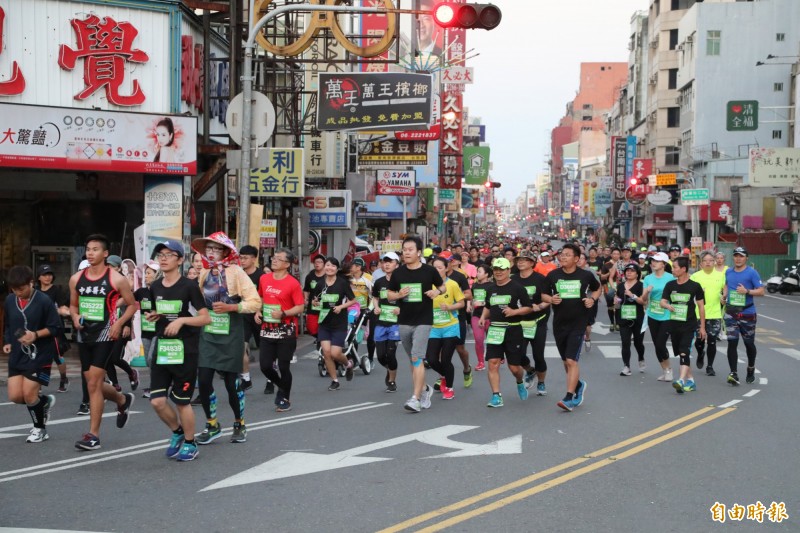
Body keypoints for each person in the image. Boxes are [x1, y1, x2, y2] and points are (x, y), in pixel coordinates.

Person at [69, 234, 137, 451]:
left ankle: (93, 435)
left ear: (105, 253)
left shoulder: (116, 279)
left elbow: (132, 305)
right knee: (93, 382)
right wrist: (74, 317)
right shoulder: (76, 279)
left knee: (93, 384)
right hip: (84, 335)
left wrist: (120, 324)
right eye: (88, 249)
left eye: (95, 249)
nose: (90, 253)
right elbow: (72, 305)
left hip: (106, 334)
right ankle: (121, 399)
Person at [192, 232, 261, 445]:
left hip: (231, 331)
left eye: (216, 249)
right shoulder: (203, 271)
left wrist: (232, 306)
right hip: (209, 330)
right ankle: (212, 424)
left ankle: (239, 422)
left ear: (226, 252)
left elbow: (255, 302)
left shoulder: (236, 272)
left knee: (232, 383)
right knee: (203, 380)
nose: (211, 253)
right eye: (209, 249)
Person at [145, 240, 210, 461]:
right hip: (163, 349)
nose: (163, 258)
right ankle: (177, 433)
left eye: (169, 254)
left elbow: (205, 318)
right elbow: (161, 313)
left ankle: (191, 444)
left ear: (180, 260)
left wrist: (181, 321)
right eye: (160, 254)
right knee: (157, 401)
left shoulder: (189, 286)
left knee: (182, 401)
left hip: (186, 351)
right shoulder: (155, 287)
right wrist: (154, 316)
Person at [386, 236, 446, 413]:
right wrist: (398, 295)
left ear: (419, 252)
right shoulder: (398, 273)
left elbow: (442, 286)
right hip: (404, 321)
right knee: (413, 361)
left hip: (424, 320)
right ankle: (425, 389)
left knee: (417, 357)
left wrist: (436, 291)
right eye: (404, 250)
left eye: (410, 249)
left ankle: (416, 398)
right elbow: (389, 295)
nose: (406, 252)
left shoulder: (429, 271)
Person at [4, 266, 61, 443]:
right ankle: (42, 402)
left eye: (21, 289)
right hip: (17, 354)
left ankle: (40, 429)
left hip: (40, 353)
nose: (17, 293)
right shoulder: (9, 300)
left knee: (29, 394)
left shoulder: (43, 300)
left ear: (31, 283)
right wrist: (7, 341)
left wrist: (35, 335)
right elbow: (8, 324)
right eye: (14, 289)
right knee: (15, 396)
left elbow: (55, 327)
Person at [542, 243, 600, 412]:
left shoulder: (586, 275)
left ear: (576, 259)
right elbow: (543, 294)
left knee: (571, 360)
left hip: (578, 323)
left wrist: (592, 299)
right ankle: (579, 384)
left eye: (567, 255)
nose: (563, 257)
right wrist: (550, 299)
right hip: (559, 323)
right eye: (562, 254)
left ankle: (569, 398)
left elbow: (597, 290)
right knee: (565, 362)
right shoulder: (553, 275)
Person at [480, 257, 533, 407]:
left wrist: (514, 311)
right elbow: (489, 306)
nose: (498, 272)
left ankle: (519, 381)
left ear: (508, 270)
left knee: (514, 368)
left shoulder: (517, 288)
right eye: (496, 269)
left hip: (513, 330)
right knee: (493, 363)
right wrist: (483, 317)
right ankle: (496, 396)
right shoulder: (490, 289)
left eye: (501, 269)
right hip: (495, 329)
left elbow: (529, 307)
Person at [256, 248, 304, 413]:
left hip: (286, 329)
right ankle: (281, 386)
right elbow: (260, 297)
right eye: (273, 258)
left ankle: (285, 398)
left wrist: (284, 313)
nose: (274, 260)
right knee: (264, 366)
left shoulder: (293, 283)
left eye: (278, 259)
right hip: (267, 328)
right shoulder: (264, 278)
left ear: (287, 264)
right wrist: (258, 311)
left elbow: (300, 306)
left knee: (284, 367)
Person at [661, 256, 706, 393]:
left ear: (683, 269)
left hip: (689, 325)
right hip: (674, 325)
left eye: (675, 267)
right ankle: (691, 381)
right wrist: (668, 306)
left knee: (683, 352)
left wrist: (702, 327)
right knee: (680, 354)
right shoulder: (670, 285)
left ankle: (680, 380)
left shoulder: (695, 286)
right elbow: (662, 302)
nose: (673, 270)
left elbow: (701, 307)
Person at [312, 258, 356, 391]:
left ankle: (348, 364)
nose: (329, 268)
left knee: (335, 353)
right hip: (324, 322)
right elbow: (315, 300)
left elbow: (353, 300)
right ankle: (334, 380)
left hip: (339, 323)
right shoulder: (320, 284)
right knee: (326, 353)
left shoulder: (342, 283)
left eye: (332, 266)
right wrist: (315, 303)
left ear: (337, 269)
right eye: (327, 265)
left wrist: (341, 307)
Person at [426, 257, 465, 401]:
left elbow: (461, 303)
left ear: (446, 268)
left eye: (440, 267)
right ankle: (444, 375)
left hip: (450, 326)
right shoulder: (428, 284)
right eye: (434, 267)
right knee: (431, 359)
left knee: (446, 359)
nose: (436, 270)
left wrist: (450, 307)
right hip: (433, 327)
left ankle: (449, 388)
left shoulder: (452, 284)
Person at [724, 247, 764, 385]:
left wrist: (746, 291)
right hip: (731, 312)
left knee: (749, 343)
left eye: (741, 256)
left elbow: (761, 291)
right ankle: (733, 373)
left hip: (747, 313)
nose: (738, 258)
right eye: (736, 256)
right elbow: (727, 285)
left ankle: (751, 367)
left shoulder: (752, 273)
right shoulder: (728, 271)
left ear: (746, 258)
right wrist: (724, 296)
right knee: (732, 342)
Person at [513, 250, 550, 396]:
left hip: (537, 321)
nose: (520, 262)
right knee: (518, 355)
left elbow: (549, 299)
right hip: (519, 322)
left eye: (524, 260)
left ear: (531, 263)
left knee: (538, 355)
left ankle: (541, 383)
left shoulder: (540, 279)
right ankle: (530, 370)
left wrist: (540, 306)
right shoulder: (513, 279)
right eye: (519, 260)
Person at [103, 255, 139, 394]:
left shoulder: (122, 282)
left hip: (122, 323)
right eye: (108, 265)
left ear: (118, 267)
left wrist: (127, 325)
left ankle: (132, 373)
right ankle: (115, 384)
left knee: (115, 357)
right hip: (107, 325)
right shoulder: (104, 281)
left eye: (112, 266)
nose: (109, 268)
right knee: (106, 358)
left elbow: (130, 304)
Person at [641, 252, 676, 382]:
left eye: (657, 261)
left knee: (661, 343)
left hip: (667, 315)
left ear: (664, 264)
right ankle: (665, 369)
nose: (653, 263)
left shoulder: (671, 278)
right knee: (657, 345)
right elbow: (644, 300)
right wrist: (647, 292)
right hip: (652, 314)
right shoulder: (648, 278)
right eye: (652, 261)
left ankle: (669, 370)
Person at [691, 251, 727, 377]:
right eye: (705, 260)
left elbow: (725, 289)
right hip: (697, 314)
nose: (708, 262)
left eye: (711, 260)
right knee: (699, 341)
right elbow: (690, 294)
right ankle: (700, 353)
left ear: (714, 262)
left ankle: (710, 366)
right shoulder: (695, 276)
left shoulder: (721, 275)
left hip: (715, 313)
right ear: (701, 263)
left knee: (712, 341)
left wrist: (724, 297)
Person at [36, 264, 70, 392]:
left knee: (57, 355)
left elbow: (63, 307)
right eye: (44, 275)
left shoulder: (57, 290)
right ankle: (39, 383)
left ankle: (63, 378)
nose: (47, 277)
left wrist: (62, 311)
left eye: (50, 274)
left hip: (54, 327)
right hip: (39, 328)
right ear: (39, 277)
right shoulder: (35, 291)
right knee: (38, 356)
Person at [372, 252, 402, 392]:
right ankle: (390, 369)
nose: (387, 264)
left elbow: (408, 300)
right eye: (385, 262)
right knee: (380, 356)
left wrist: (400, 309)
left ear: (397, 263)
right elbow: (375, 298)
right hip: (381, 321)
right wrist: (376, 307)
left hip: (395, 323)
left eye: (390, 261)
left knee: (391, 354)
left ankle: (392, 381)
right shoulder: (379, 282)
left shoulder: (402, 282)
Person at [444, 252, 474, 390]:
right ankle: (443, 376)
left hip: (457, 316)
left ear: (451, 263)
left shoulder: (459, 276)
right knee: (439, 349)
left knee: (460, 349)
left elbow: (469, 295)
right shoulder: (432, 277)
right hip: (439, 318)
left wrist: (455, 297)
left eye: (446, 262)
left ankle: (467, 369)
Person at [238, 245, 264, 392]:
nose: (242, 260)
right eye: (241, 257)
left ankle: (270, 379)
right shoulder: (238, 275)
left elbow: (264, 296)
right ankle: (246, 378)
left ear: (254, 259)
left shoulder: (262, 276)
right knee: (242, 347)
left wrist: (258, 310)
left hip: (259, 316)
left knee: (265, 350)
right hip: (242, 316)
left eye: (246, 258)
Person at [135, 261, 161, 398]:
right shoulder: (141, 292)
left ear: (157, 275)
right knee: (148, 360)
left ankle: (157, 386)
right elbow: (129, 302)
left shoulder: (162, 291)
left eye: (149, 273)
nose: (146, 276)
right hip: (145, 331)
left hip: (159, 331)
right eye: (145, 273)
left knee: (152, 358)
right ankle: (156, 385)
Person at [614, 263, 646, 376]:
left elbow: (644, 302)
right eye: (627, 270)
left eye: (632, 271)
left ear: (637, 274)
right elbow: (618, 299)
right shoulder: (620, 286)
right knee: (625, 342)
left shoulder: (641, 286)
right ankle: (626, 366)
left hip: (638, 317)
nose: (629, 272)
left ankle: (641, 358)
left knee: (638, 343)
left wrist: (633, 296)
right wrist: (616, 304)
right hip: (624, 317)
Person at [470, 265, 492, 372]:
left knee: (493, 340)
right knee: (479, 339)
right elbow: (471, 298)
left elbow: (494, 301)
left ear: (486, 274)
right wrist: (470, 304)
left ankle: (499, 355)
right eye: (477, 271)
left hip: (491, 316)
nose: (477, 273)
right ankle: (481, 362)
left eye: (479, 271)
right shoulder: (474, 285)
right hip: (477, 315)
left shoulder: (492, 286)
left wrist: (482, 303)